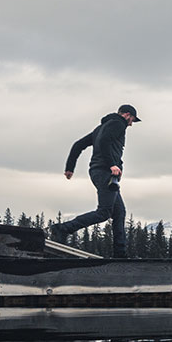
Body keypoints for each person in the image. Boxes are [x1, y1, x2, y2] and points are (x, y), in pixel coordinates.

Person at [50, 105, 141, 258]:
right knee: (104, 212)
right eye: (132, 120)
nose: (131, 124)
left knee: (119, 212)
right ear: (127, 115)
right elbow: (105, 141)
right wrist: (112, 164)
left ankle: (120, 254)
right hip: (105, 172)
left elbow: (78, 145)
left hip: (100, 172)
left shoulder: (100, 128)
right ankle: (63, 228)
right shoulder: (118, 124)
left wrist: (69, 167)